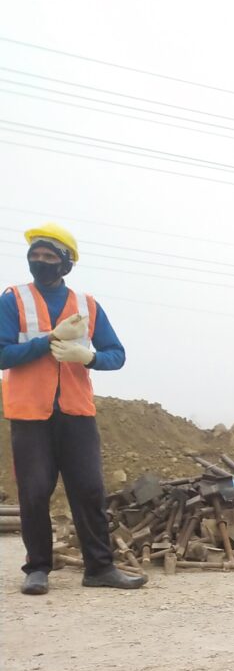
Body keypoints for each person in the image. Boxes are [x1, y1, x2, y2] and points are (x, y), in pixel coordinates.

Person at [1, 224, 144, 594]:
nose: (41, 261)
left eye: (50, 256)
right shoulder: (13, 300)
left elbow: (118, 354)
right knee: (34, 491)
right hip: (30, 413)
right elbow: (2, 354)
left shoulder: (87, 306)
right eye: (35, 255)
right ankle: (37, 569)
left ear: (66, 264)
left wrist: (90, 356)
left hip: (76, 412)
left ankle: (99, 568)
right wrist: (48, 341)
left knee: (89, 490)